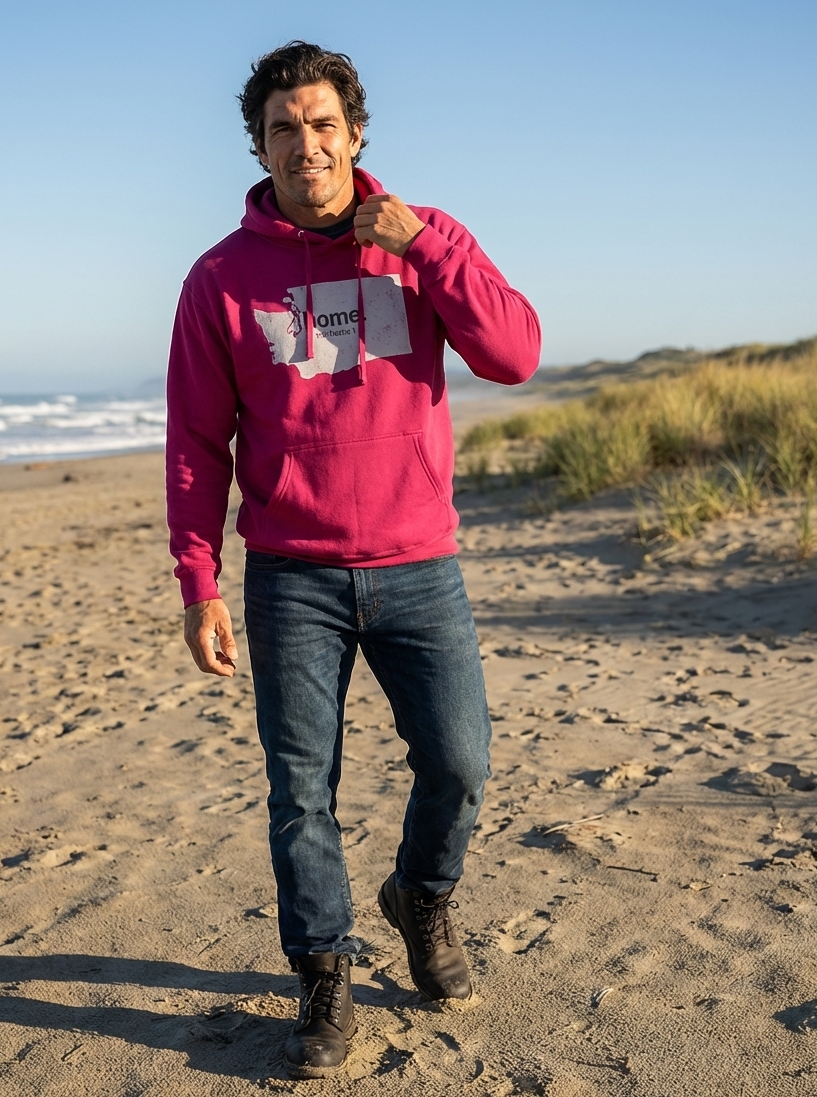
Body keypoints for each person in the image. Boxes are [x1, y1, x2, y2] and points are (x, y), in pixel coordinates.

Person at [165, 40, 541, 1079]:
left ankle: (421, 894)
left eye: (323, 124)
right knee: (301, 790)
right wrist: (198, 580)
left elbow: (515, 355)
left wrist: (429, 246)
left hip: (420, 562)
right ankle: (324, 970)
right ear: (260, 147)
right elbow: (195, 442)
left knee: (460, 762)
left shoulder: (424, 239)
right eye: (283, 129)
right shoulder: (220, 279)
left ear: (357, 133)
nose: (307, 145)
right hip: (292, 574)